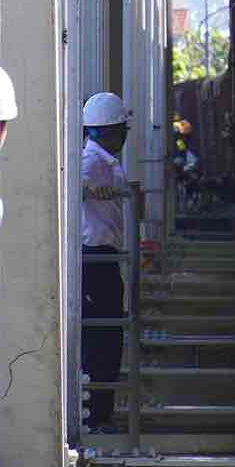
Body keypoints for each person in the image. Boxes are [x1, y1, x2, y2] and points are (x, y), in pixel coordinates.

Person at [80, 90, 133, 429]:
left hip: (104, 258)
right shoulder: (91, 162)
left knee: (107, 337)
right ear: (114, 131)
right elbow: (79, 179)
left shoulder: (106, 162)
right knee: (104, 339)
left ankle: (101, 410)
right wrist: (87, 189)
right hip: (95, 259)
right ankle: (98, 414)